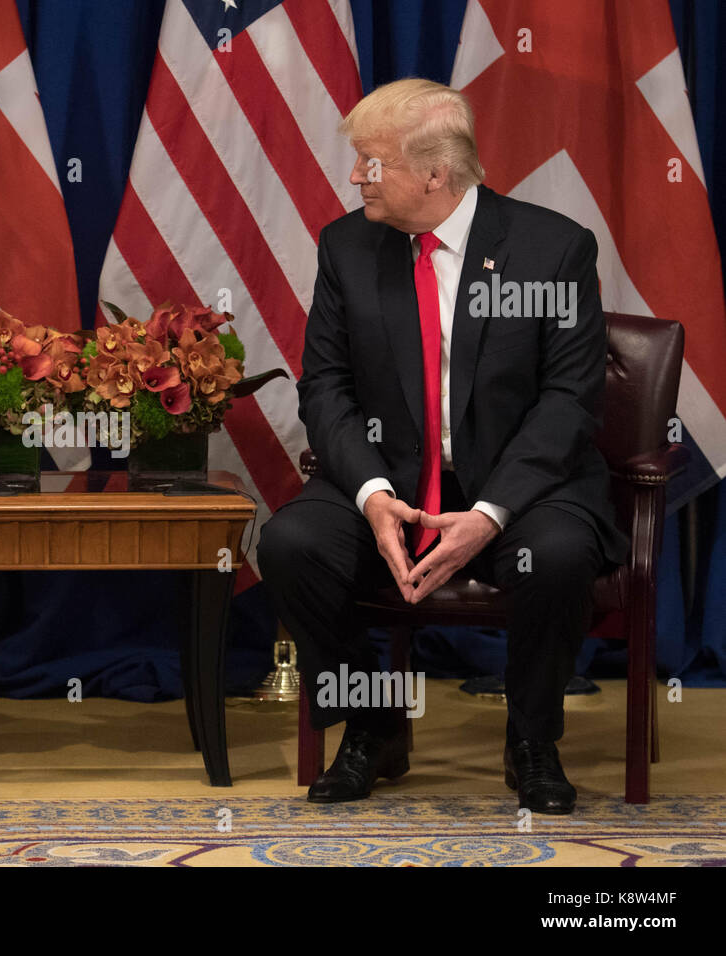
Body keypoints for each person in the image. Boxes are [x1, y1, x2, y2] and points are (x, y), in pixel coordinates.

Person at [257, 79, 627, 814]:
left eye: (371, 162)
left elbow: (567, 402)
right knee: (290, 543)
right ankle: (376, 722)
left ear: (435, 173)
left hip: (519, 490)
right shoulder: (347, 246)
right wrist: (372, 495)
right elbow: (325, 387)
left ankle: (532, 740)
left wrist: (489, 512)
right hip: (390, 479)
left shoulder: (552, 249)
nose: (356, 176)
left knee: (555, 556)